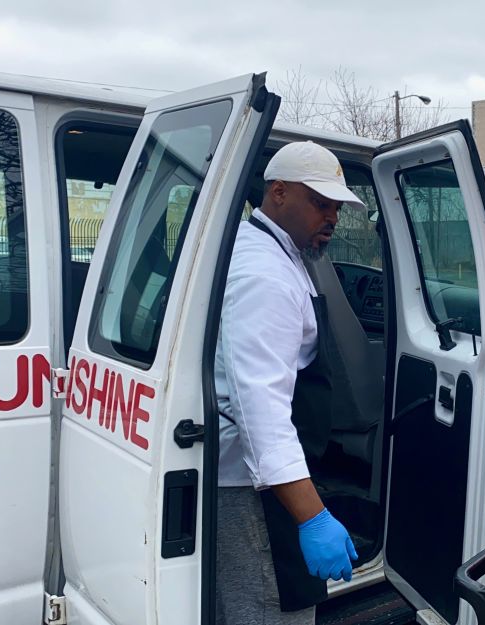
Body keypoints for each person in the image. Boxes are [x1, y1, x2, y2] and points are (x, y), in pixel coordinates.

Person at [214, 141, 365, 624]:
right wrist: (311, 516)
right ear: (278, 193)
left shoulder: (264, 246)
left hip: (260, 476)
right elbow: (261, 408)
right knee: (267, 611)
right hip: (254, 486)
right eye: (320, 203)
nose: (333, 218)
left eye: (337, 207)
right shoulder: (266, 276)